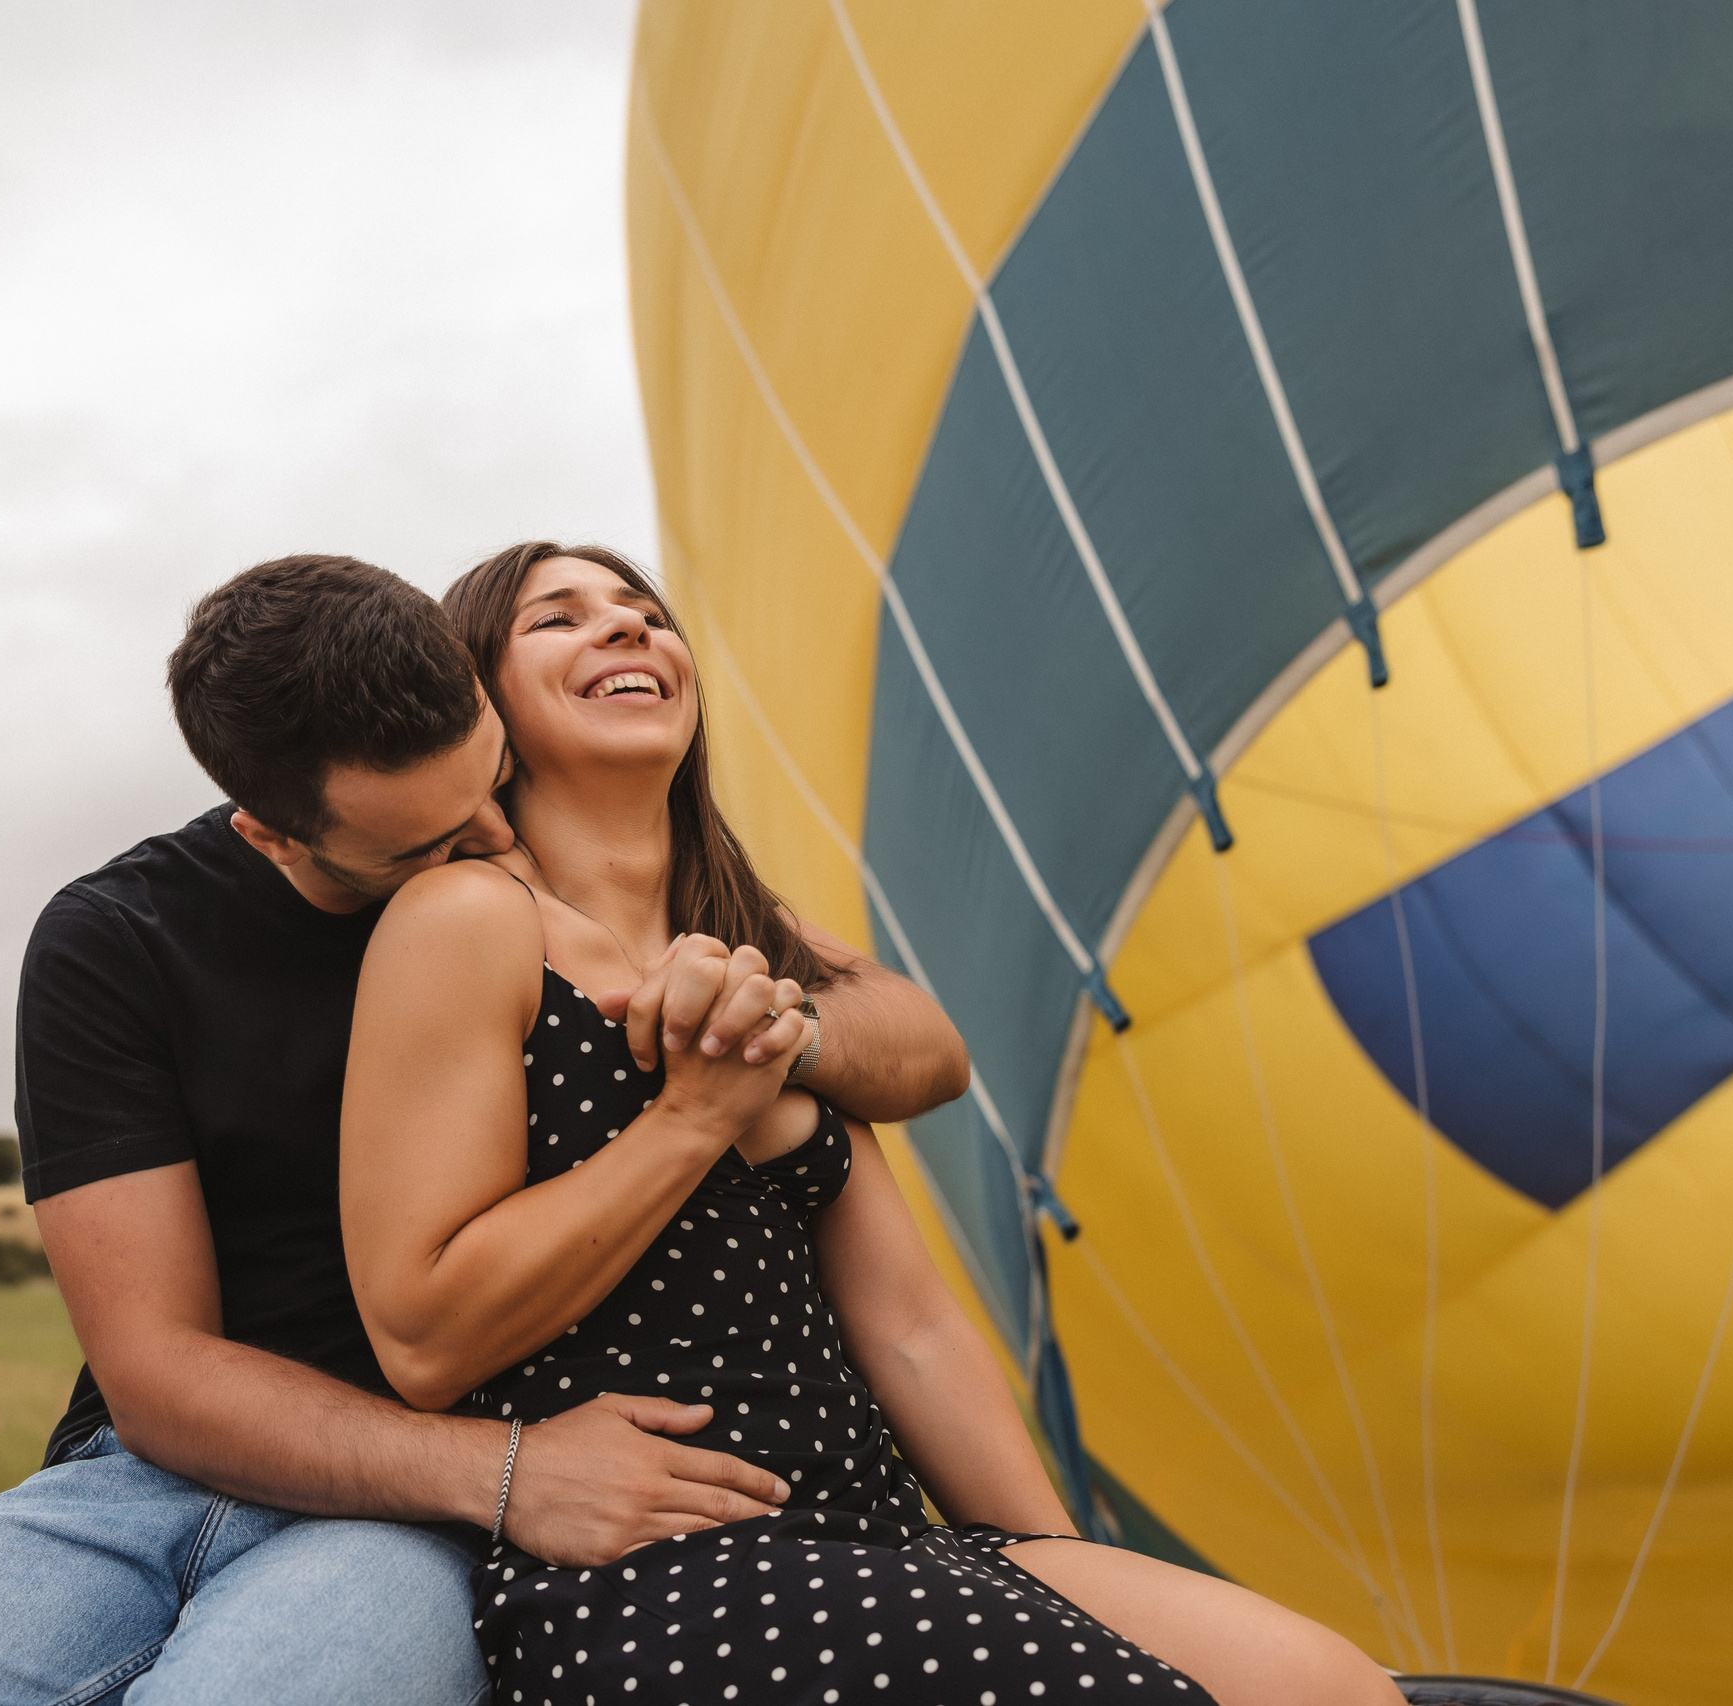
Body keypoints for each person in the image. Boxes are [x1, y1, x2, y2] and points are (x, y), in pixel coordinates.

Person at [0, 554, 973, 1706]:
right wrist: (507, 1473)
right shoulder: (118, 939)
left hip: (415, 1534)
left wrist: (773, 1038)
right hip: (198, 1484)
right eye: (427, 849)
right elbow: (159, 1372)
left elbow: (916, 1038)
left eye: (492, 781)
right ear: (272, 833)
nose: (493, 843)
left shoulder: (579, 882)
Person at [340, 542, 1406, 1706]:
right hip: (658, 1556)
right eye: (559, 617)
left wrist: (1055, 1559)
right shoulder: (466, 920)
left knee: (1329, 1683)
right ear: (482, 710)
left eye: (644, 610)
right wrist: (696, 1117)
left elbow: (909, 1322)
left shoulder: (757, 947)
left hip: (878, 1525)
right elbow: (426, 1333)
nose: (625, 628)